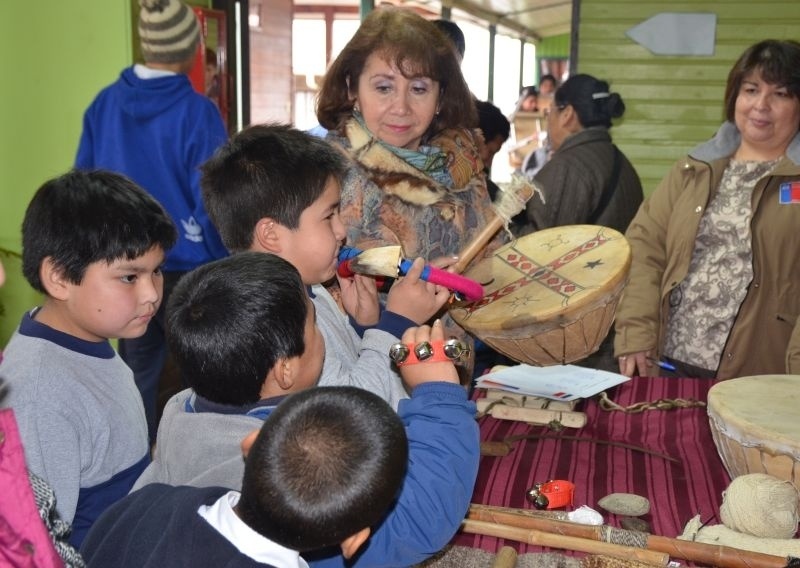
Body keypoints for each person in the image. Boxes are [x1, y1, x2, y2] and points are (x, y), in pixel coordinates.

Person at [123, 252, 480, 568]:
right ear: (285, 369)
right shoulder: (293, 472)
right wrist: (439, 396)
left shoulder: (184, 409)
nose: (321, 332)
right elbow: (415, 521)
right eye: (314, 323)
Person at [199, 124, 449, 413]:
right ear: (271, 234)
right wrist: (398, 323)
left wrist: (364, 325)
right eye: (329, 216)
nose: (342, 231)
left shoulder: (308, 289)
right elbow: (353, 413)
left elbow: (348, 374)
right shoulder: (275, 321)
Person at [74, 0, 229, 444]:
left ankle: (135, 461)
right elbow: (211, 197)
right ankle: (187, 461)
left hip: (120, 268)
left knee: (138, 370)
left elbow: (84, 188)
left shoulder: (103, 105)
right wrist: (224, 259)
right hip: (188, 269)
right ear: (192, 49)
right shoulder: (197, 113)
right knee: (195, 373)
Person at [0, 169, 177, 548]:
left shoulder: (88, 339)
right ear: (60, 278)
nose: (151, 294)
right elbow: (40, 547)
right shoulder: (40, 395)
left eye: (157, 271)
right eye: (130, 277)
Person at [615, 39, 800, 380]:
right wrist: (636, 334)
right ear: (735, 96)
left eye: (781, 94)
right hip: (668, 361)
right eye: (751, 89)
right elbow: (644, 248)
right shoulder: (694, 168)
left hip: (759, 373)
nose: (761, 105)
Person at [519, 73, 643, 235]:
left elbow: (539, 246)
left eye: (551, 111)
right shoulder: (621, 161)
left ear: (567, 114)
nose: (548, 120)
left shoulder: (566, 168)